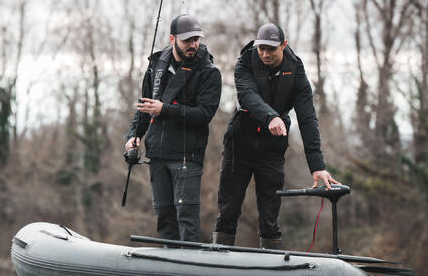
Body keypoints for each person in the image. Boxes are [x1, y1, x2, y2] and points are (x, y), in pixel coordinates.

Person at [212, 22, 338, 249]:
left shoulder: (296, 70)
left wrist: (317, 166)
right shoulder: (245, 61)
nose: (265, 54)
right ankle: (219, 254)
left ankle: (272, 260)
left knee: (270, 216)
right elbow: (247, 95)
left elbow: (308, 118)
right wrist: (271, 117)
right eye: (261, 48)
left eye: (271, 49)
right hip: (239, 144)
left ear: (284, 45)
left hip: (271, 150)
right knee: (229, 210)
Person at [125, 14, 222, 242]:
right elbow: (145, 107)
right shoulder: (155, 67)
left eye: (196, 39)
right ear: (173, 39)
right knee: (164, 219)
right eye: (187, 40)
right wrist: (133, 136)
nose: (193, 45)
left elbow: (204, 114)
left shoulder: (209, 72)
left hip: (187, 156)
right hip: (157, 154)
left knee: (186, 220)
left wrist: (165, 110)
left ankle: (191, 272)